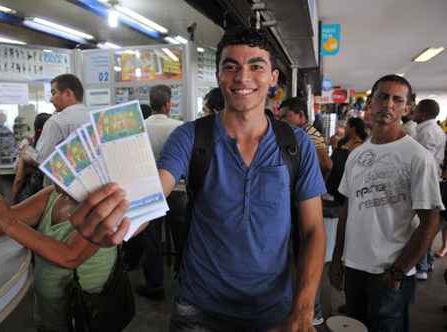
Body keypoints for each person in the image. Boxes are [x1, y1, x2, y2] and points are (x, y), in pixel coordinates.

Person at [68, 26, 327, 332]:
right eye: (231, 67)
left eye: (256, 66)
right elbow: (155, 191)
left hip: (272, 309)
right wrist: (117, 223)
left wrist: (304, 306)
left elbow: (313, 230)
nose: (242, 77)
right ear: (219, 76)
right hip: (199, 308)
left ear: (273, 78)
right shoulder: (190, 136)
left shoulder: (295, 145)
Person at [329, 74, 444, 332]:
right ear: (370, 102)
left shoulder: (417, 157)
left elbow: (431, 220)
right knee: (355, 326)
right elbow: (348, 208)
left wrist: (399, 272)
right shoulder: (356, 155)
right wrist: (337, 258)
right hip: (355, 267)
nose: (388, 104)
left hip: (390, 273)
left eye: (397, 99)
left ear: (407, 108)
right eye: (382, 96)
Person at [0, 185, 117, 332]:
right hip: (48, 306)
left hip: (85, 311)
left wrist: (8, 222)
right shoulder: (53, 195)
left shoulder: (103, 209)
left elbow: (71, 256)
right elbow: (8, 217)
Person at [136, 85, 184, 300]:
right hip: (177, 190)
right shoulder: (180, 127)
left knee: (151, 241)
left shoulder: (139, 127)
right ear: (168, 104)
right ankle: (184, 281)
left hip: (148, 191)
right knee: (182, 237)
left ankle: (154, 285)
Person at [413, 99, 446, 278]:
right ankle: (427, 263)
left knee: (423, 224)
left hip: (426, 183)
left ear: (423, 113)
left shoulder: (427, 133)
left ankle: (422, 267)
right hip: (432, 180)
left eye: (416, 110)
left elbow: (422, 162)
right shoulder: (433, 130)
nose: (413, 113)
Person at [34, 74, 90, 166]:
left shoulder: (56, 121)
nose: (51, 99)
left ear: (68, 93)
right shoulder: (94, 117)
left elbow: (41, 160)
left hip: (60, 179)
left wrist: (25, 156)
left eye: (53, 93)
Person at [280, 96, 333, 177]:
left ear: (301, 115)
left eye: (285, 116)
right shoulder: (303, 133)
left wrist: (309, 178)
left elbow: (326, 164)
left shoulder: (309, 134)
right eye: (280, 117)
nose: (281, 120)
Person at [11, 113, 52, 203]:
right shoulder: (52, 145)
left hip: (29, 193)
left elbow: (18, 178)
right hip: (48, 194)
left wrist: (12, 200)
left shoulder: (27, 145)